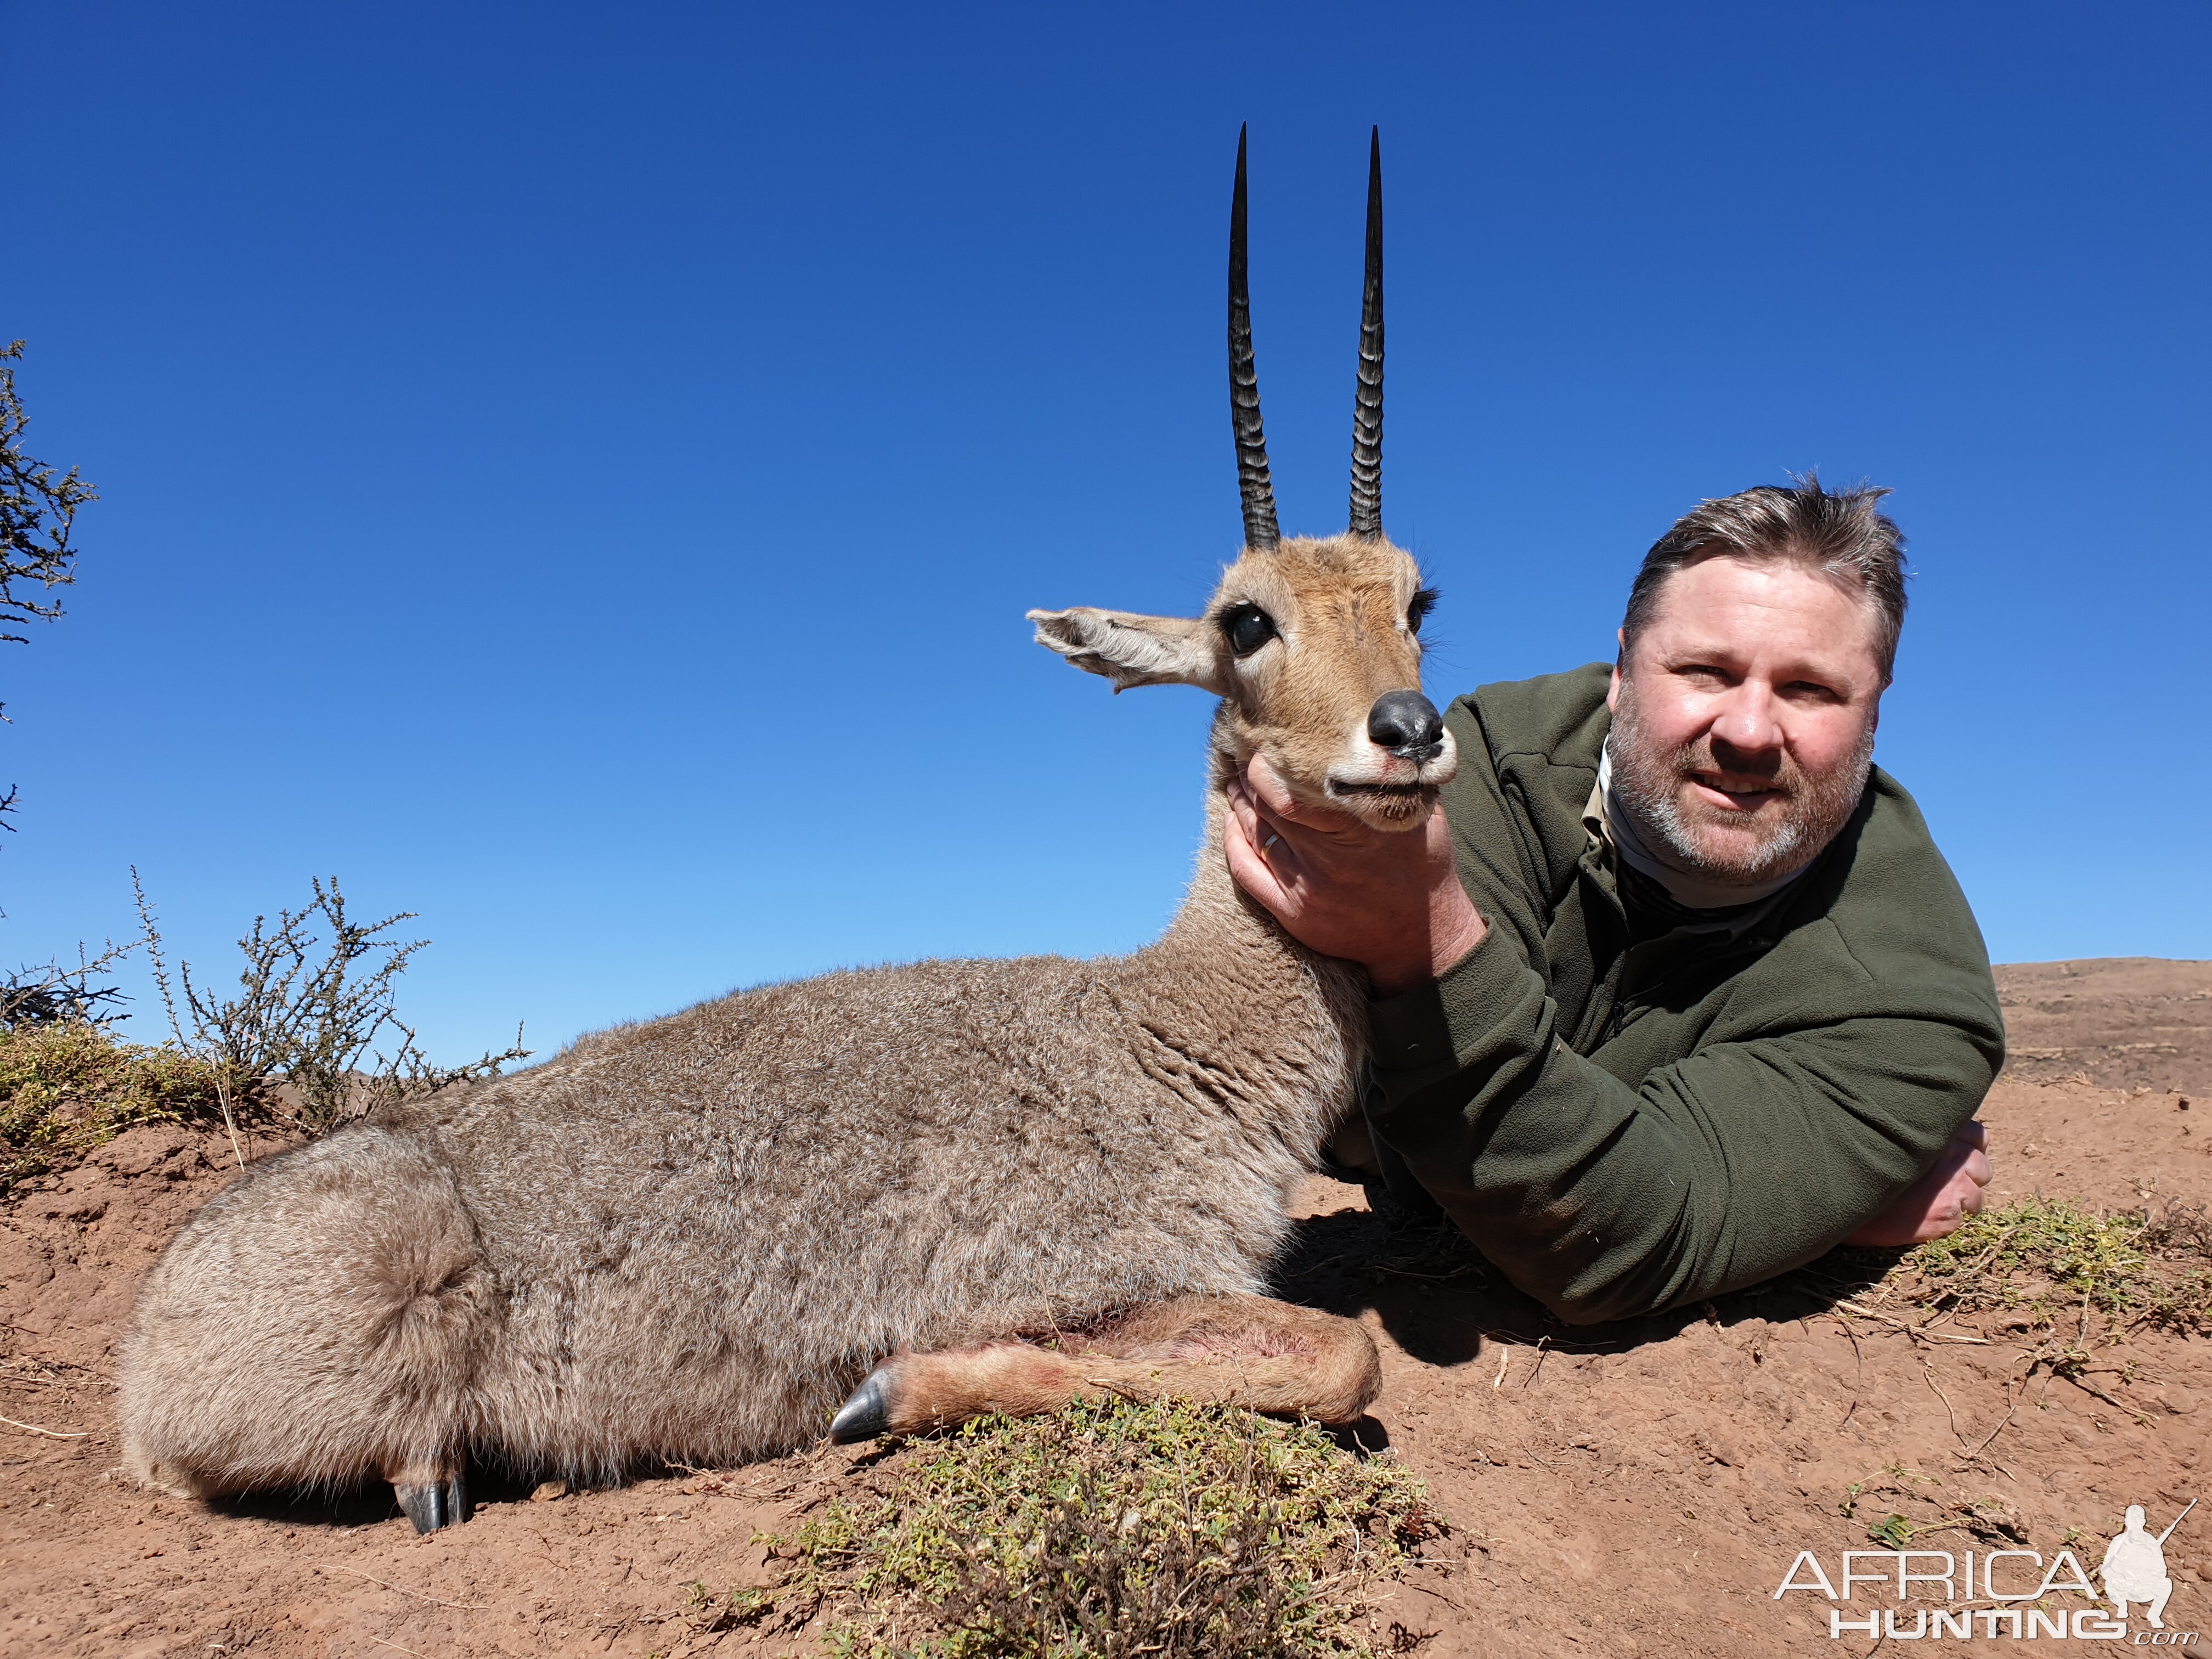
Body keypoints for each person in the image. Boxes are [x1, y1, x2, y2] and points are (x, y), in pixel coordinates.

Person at [1224, 477, 2002, 1324]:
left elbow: (1614, 1245)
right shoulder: (1493, 759)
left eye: (1810, 690)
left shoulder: (1914, 997)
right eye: (1705, 671)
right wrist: (1801, 1206)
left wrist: (1428, 949)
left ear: (1876, 713)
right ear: (1623, 673)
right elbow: (1423, 1173)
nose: (1748, 732)